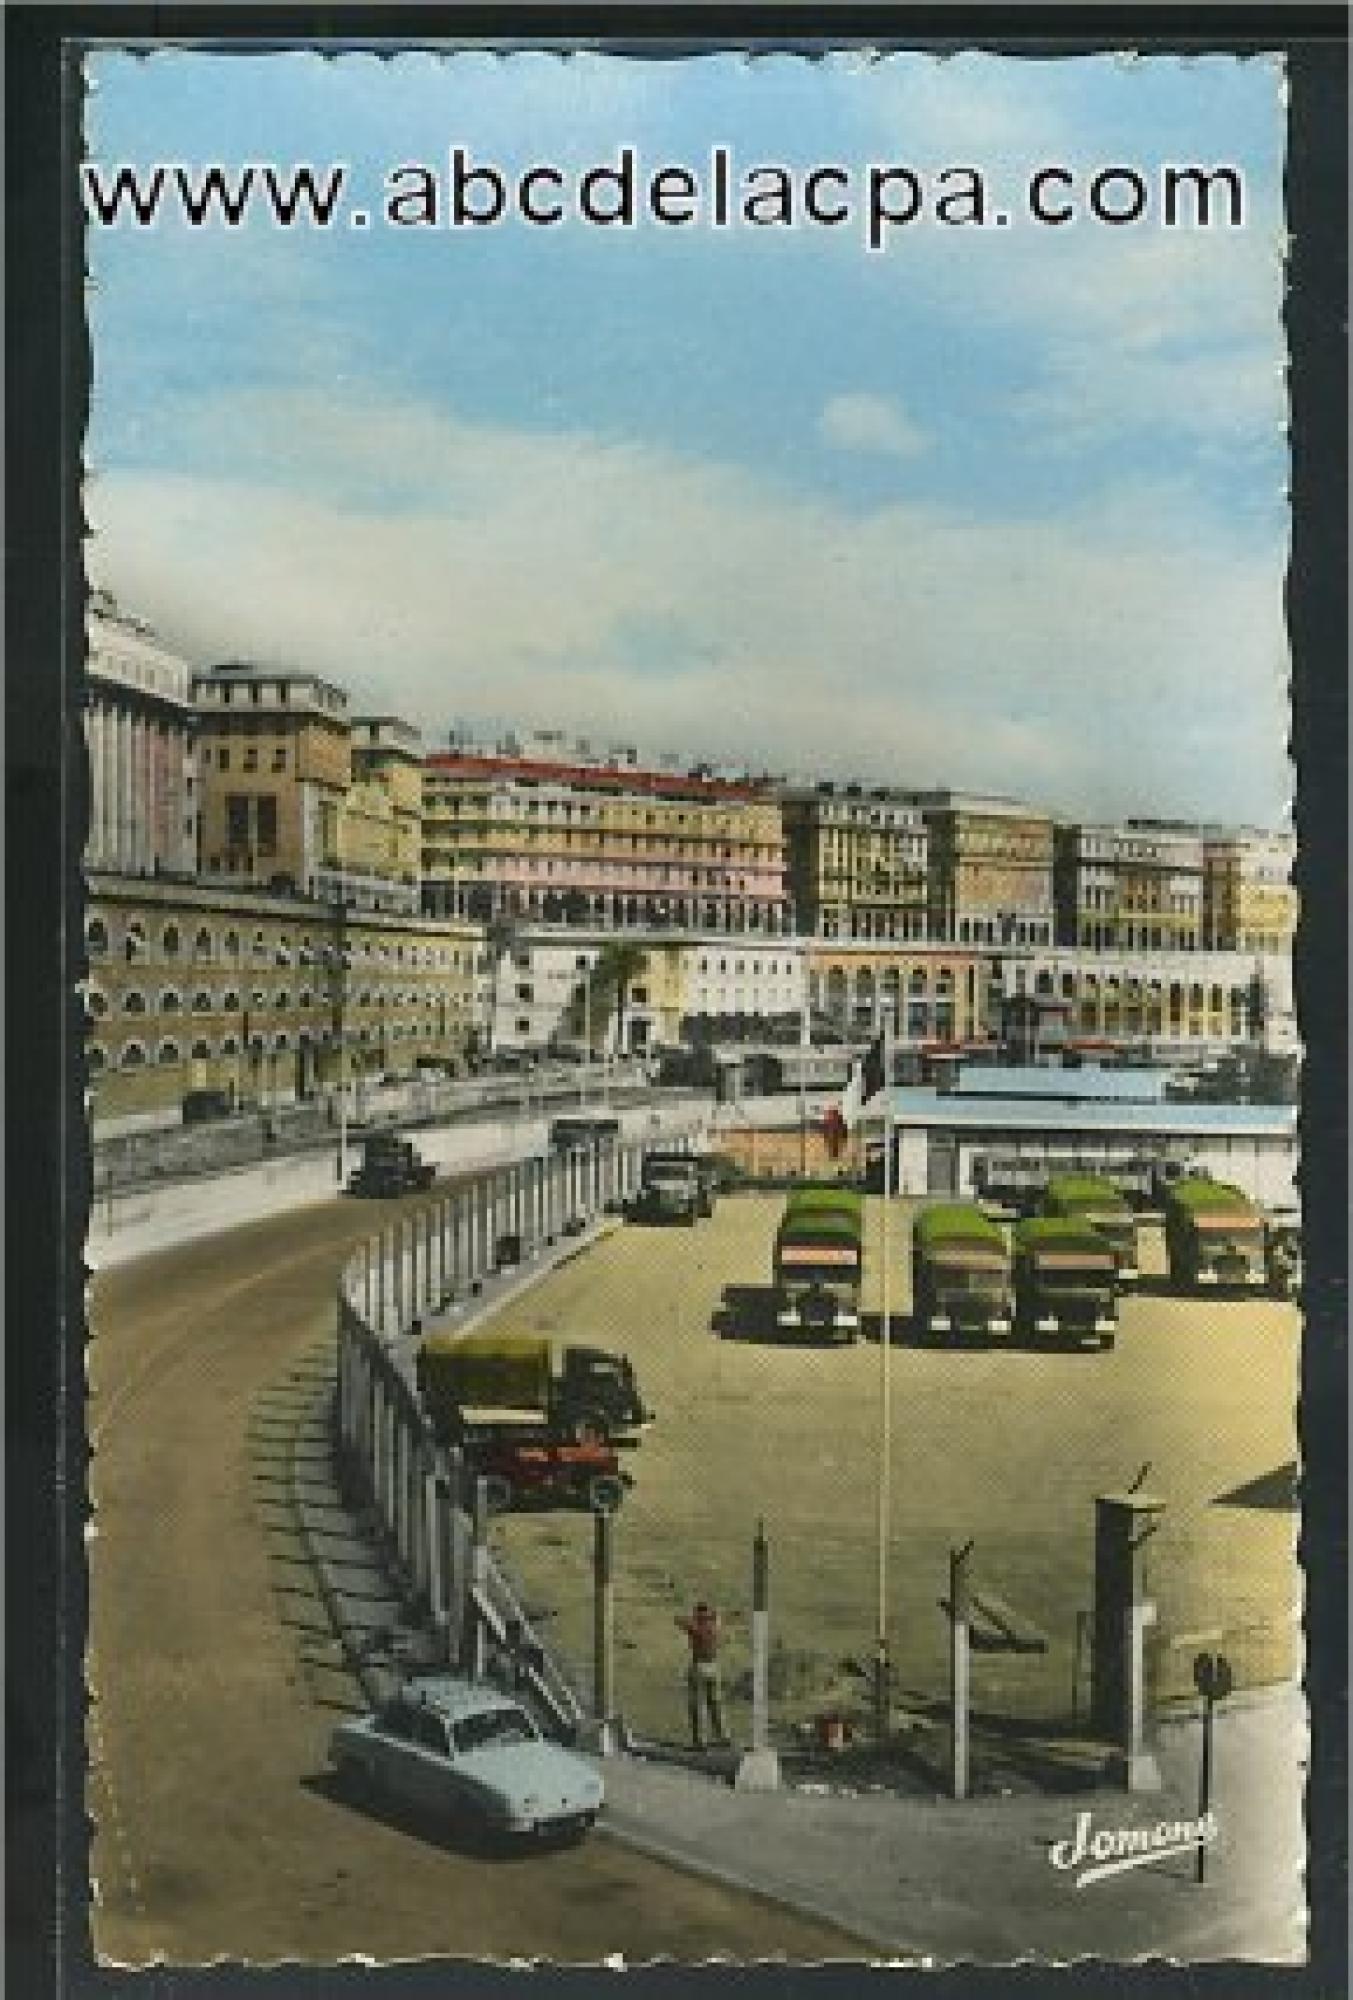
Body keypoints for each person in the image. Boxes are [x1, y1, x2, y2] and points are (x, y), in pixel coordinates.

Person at [675, 1601, 726, 1749]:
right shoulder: (714, 1626)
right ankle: (722, 1736)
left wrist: (690, 1618)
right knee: (715, 1704)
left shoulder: (696, 1626)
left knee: (698, 1706)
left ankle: (700, 1741)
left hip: (700, 1666)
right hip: (714, 1667)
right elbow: (718, 1618)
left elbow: (679, 1621)